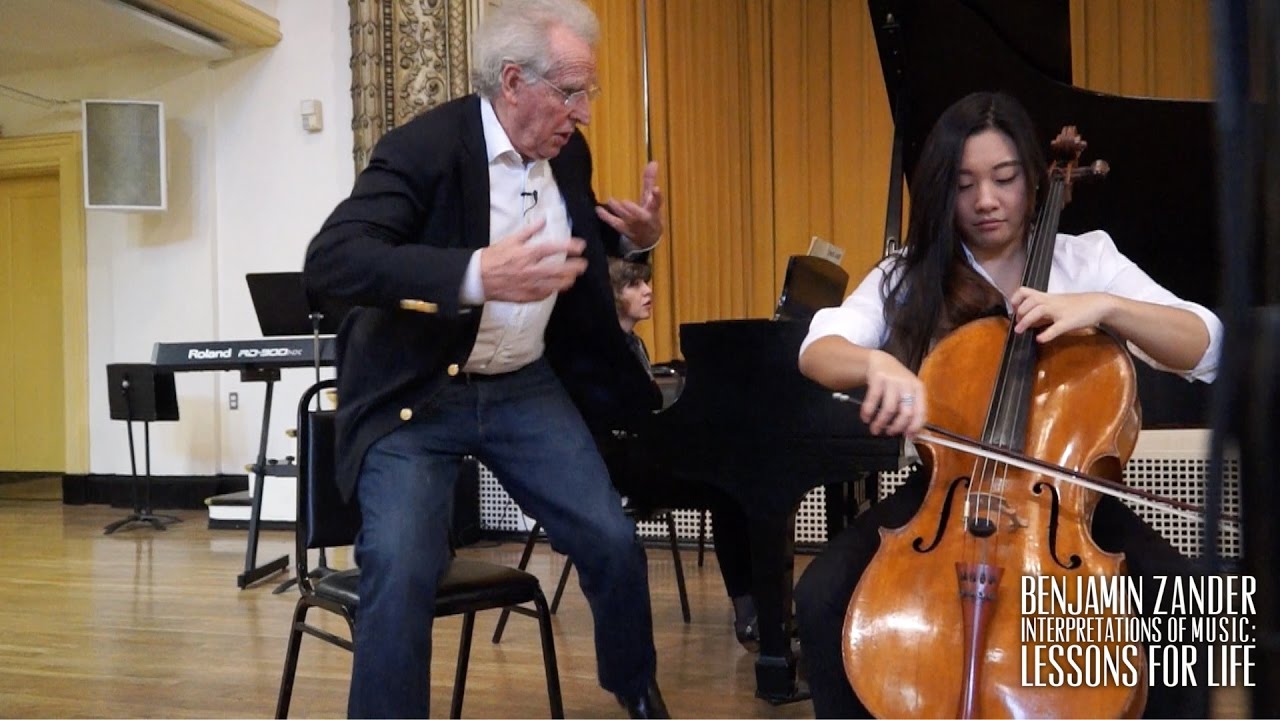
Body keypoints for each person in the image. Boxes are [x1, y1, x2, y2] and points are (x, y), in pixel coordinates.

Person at [792, 91, 1222, 719]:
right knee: (822, 595)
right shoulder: (908, 276)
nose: (986, 201)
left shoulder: (1087, 259)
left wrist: (1104, 307)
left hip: (1068, 498)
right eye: (964, 184)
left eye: (1004, 178)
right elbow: (817, 348)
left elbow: (1208, 346)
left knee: (1196, 607)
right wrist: (876, 361)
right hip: (945, 493)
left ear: (1032, 177)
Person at [303, 1, 671, 716]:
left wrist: (638, 243)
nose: (584, 112)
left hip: (522, 388)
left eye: (587, 92)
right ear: (512, 81)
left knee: (611, 540)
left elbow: (576, 247)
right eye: (571, 92)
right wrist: (474, 275)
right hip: (419, 397)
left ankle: (636, 689)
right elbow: (333, 261)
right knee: (403, 567)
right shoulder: (425, 149)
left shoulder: (567, 153)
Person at [605, 257, 761, 648]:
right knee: (726, 491)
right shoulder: (607, 349)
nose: (647, 291)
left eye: (646, 282)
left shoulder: (632, 343)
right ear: (611, 294)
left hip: (640, 454)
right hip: (618, 467)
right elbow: (641, 407)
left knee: (733, 484)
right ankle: (749, 611)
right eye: (634, 285)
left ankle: (757, 603)